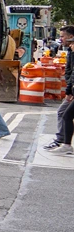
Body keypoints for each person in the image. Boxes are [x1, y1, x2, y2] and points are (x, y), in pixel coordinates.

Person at [43, 24, 74, 155]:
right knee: (63, 113)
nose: (60, 39)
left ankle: (65, 144)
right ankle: (62, 141)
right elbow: (69, 70)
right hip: (72, 89)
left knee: (66, 114)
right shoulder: (70, 50)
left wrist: (69, 91)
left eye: (62, 37)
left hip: (72, 90)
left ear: (71, 37)